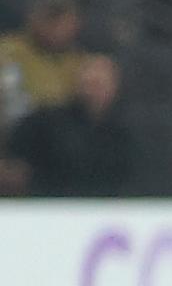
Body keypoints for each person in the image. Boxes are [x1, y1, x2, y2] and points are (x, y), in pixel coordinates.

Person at [5, 50, 131, 194]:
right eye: (89, 82)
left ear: (115, 85)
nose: (94, 90)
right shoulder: (44, 121)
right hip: (51, 205)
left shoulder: (131, 128)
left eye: (100, 83)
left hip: (116, 207)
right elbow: (17, 165)